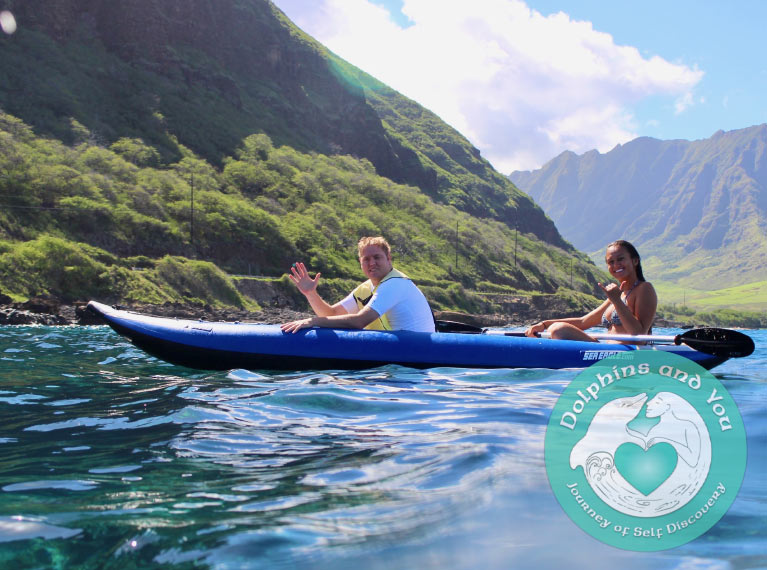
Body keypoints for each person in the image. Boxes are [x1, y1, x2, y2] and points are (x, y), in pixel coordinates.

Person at [281, 236, 436, 334]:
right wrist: (311, 294)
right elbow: (332, 314)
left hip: (416, 358)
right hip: (396, 354)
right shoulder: (367, 287)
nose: (372, 263)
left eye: (377, 257)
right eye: (366, 259)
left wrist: (311, 321)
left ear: (389, 258)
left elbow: (359, 321)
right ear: (360, 263)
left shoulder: (395, 283)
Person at [525, 240, 657, 341]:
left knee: (558, 330)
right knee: (556, 328)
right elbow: (583, 322)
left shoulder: (644, 289)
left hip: (628, 355)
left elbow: (639, 335)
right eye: (611, 262)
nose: (616, 265)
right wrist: (544, 324)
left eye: (621, 259)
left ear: (635, 261)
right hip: (604, 350)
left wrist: (617, 301)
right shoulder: (616, 295)